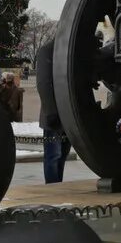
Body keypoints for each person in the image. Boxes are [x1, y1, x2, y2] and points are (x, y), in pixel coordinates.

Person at [34, 41, 67, 183]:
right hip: (54, 113)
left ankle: (57, 186)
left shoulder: (69, 48)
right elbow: (43, 83)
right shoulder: (47, 50)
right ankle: (53, 187)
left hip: (69, 115)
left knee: (62, 156)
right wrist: (50, 111)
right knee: (54, 156)